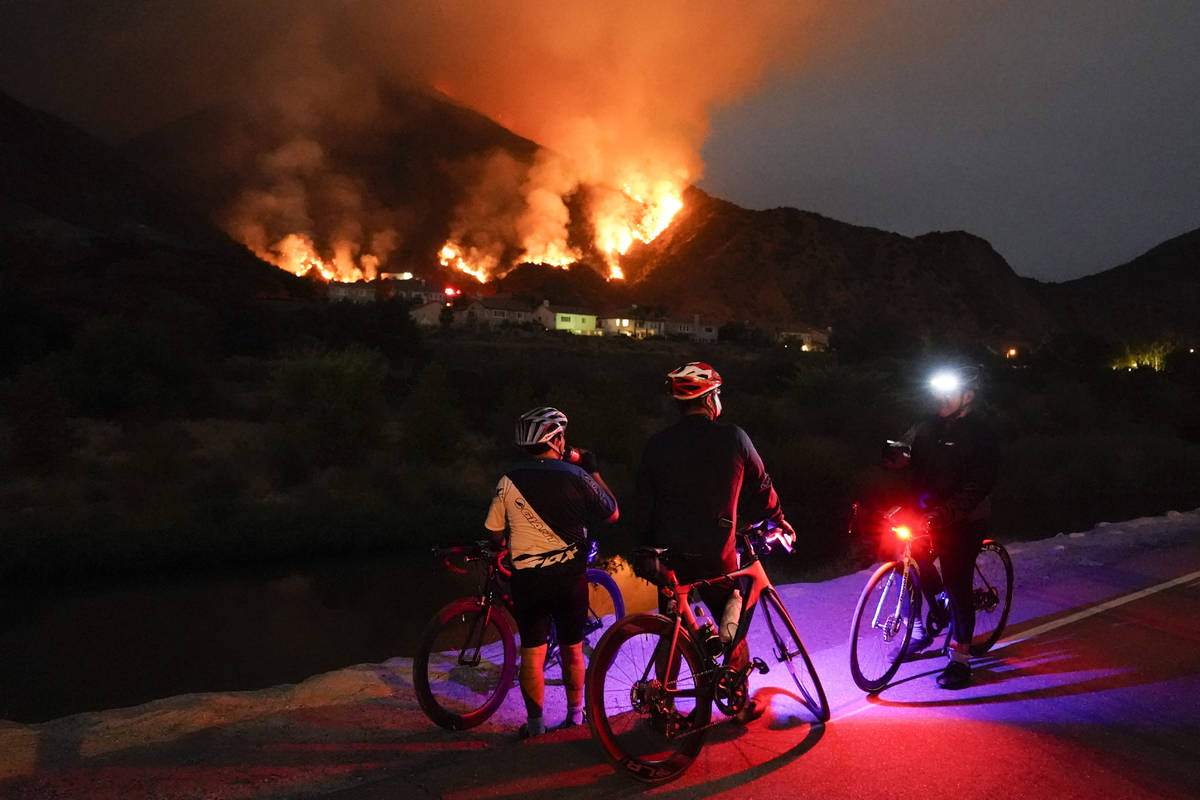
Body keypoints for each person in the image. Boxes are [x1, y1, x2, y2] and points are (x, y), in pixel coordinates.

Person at [633, 361, 796, 721]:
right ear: (710, 401)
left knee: (671, 627)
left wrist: (644, 551)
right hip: (715, 553)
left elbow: (643, 503)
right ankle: (737, 701)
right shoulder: (733, 437)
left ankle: (665, 705)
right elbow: (762, 484)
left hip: (670, 555)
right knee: (731, 614)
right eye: (717, 395)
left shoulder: (657, 445)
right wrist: (778, 519)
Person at [484, 406, 619, 738]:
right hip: (570, 580)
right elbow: (612, 513)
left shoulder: (508, 480)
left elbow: (494, 533)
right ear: (555, 439)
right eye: (562, 437)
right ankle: (576, 717)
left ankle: (535, 727)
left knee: (533, 650)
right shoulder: (577, 476)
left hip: (528, 581)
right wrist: (593, 470)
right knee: (573, 648)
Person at [882, 363, 1000, 689]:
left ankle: (960, 660)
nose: (942, 398)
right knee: (910, 556)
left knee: (956, 579)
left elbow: (977, 487)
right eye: (938, 391)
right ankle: (935, 613)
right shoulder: (927, 427)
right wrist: (893, 455)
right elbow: (907, 456)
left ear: (968, 396)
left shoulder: (982, 434)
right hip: (928, 515)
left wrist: (943, 514)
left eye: (949, 392)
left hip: (965, 519)